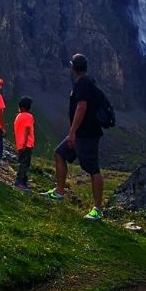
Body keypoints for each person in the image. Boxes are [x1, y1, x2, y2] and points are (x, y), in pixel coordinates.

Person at [42, 54, 105, 221]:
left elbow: (82, 107)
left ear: (73, 67)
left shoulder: (83, 83)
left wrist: (72, 132)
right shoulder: (86, 82)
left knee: (93, 169)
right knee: (59, 153)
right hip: (81, 133)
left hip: (87, 134)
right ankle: (59, 192)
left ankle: (97, 209)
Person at [13, 96, 35, 191]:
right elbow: (27, 129)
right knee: (25, 164)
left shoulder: (18, 116)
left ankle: (23, 182)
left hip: (19, 144)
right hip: (26, 145)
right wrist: (25, 142)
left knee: (22, 162)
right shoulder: (29, 116)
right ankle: (20, 183)